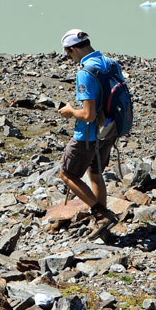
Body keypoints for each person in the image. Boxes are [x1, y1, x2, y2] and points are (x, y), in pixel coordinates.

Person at [58, 28, 120, 237]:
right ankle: (102, 227)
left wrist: (70, 111)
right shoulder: (111, 63)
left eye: (68, 53)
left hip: (89, 135)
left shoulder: (85, 73)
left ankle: (101, 214)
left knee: (67, 174)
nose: (69, 57)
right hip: (111, 129)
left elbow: (88, 114)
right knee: (95, 172)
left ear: (73, 49)